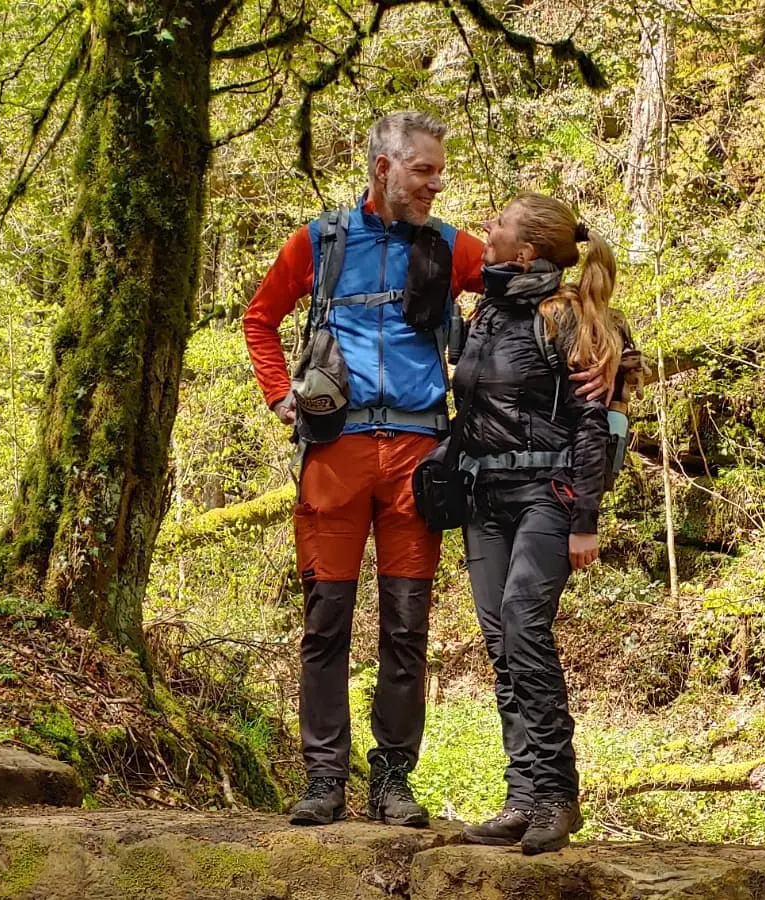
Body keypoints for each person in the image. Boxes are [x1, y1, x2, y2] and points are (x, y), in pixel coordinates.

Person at [243, 111, 485, 827]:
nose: (436, 183)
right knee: (326, 622)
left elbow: (527, 277)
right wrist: (277, 393)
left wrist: (601, 343)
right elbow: (260, 318)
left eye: (439, 170)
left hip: (419, 457)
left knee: (408, 626)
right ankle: (324, 779)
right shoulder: (320, 241)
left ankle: (393, 782)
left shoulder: (451, 246)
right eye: (424, 170)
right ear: (384, 167)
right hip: (335, 453)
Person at [454, 192, 626, 855]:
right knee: (503, 645)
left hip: (546, 497)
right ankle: (521, 796)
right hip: (484, 499)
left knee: (526, 628)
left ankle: (558, 794)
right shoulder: (488, 309)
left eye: (495, 224)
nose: (485, 231)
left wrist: (585, 519)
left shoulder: (565, 316)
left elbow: (591, 423)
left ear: (525, 251)